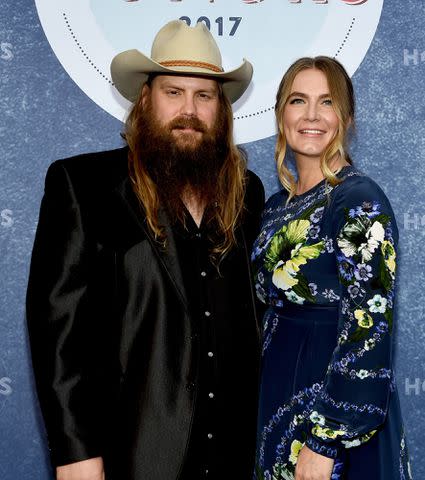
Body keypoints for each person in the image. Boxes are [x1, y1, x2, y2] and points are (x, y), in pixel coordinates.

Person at [26, 20, 265, 480]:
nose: (189, 110)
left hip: (231, 456)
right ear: (145, 100)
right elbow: (57, 331)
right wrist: (75, 452)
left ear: (222, 109)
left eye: (204, 96)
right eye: (173, 93)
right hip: (131, 454)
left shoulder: (246, 194)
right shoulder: (85, 187)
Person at [251, 56, 412, 480]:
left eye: (327, 102)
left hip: (330, 412)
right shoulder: (273, 208)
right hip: (278, 394)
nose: (311, 116)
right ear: (280, 113)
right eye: (298, 100)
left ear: (347, 117)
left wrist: (325, 440)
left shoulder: (358, 200)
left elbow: (369, 326)